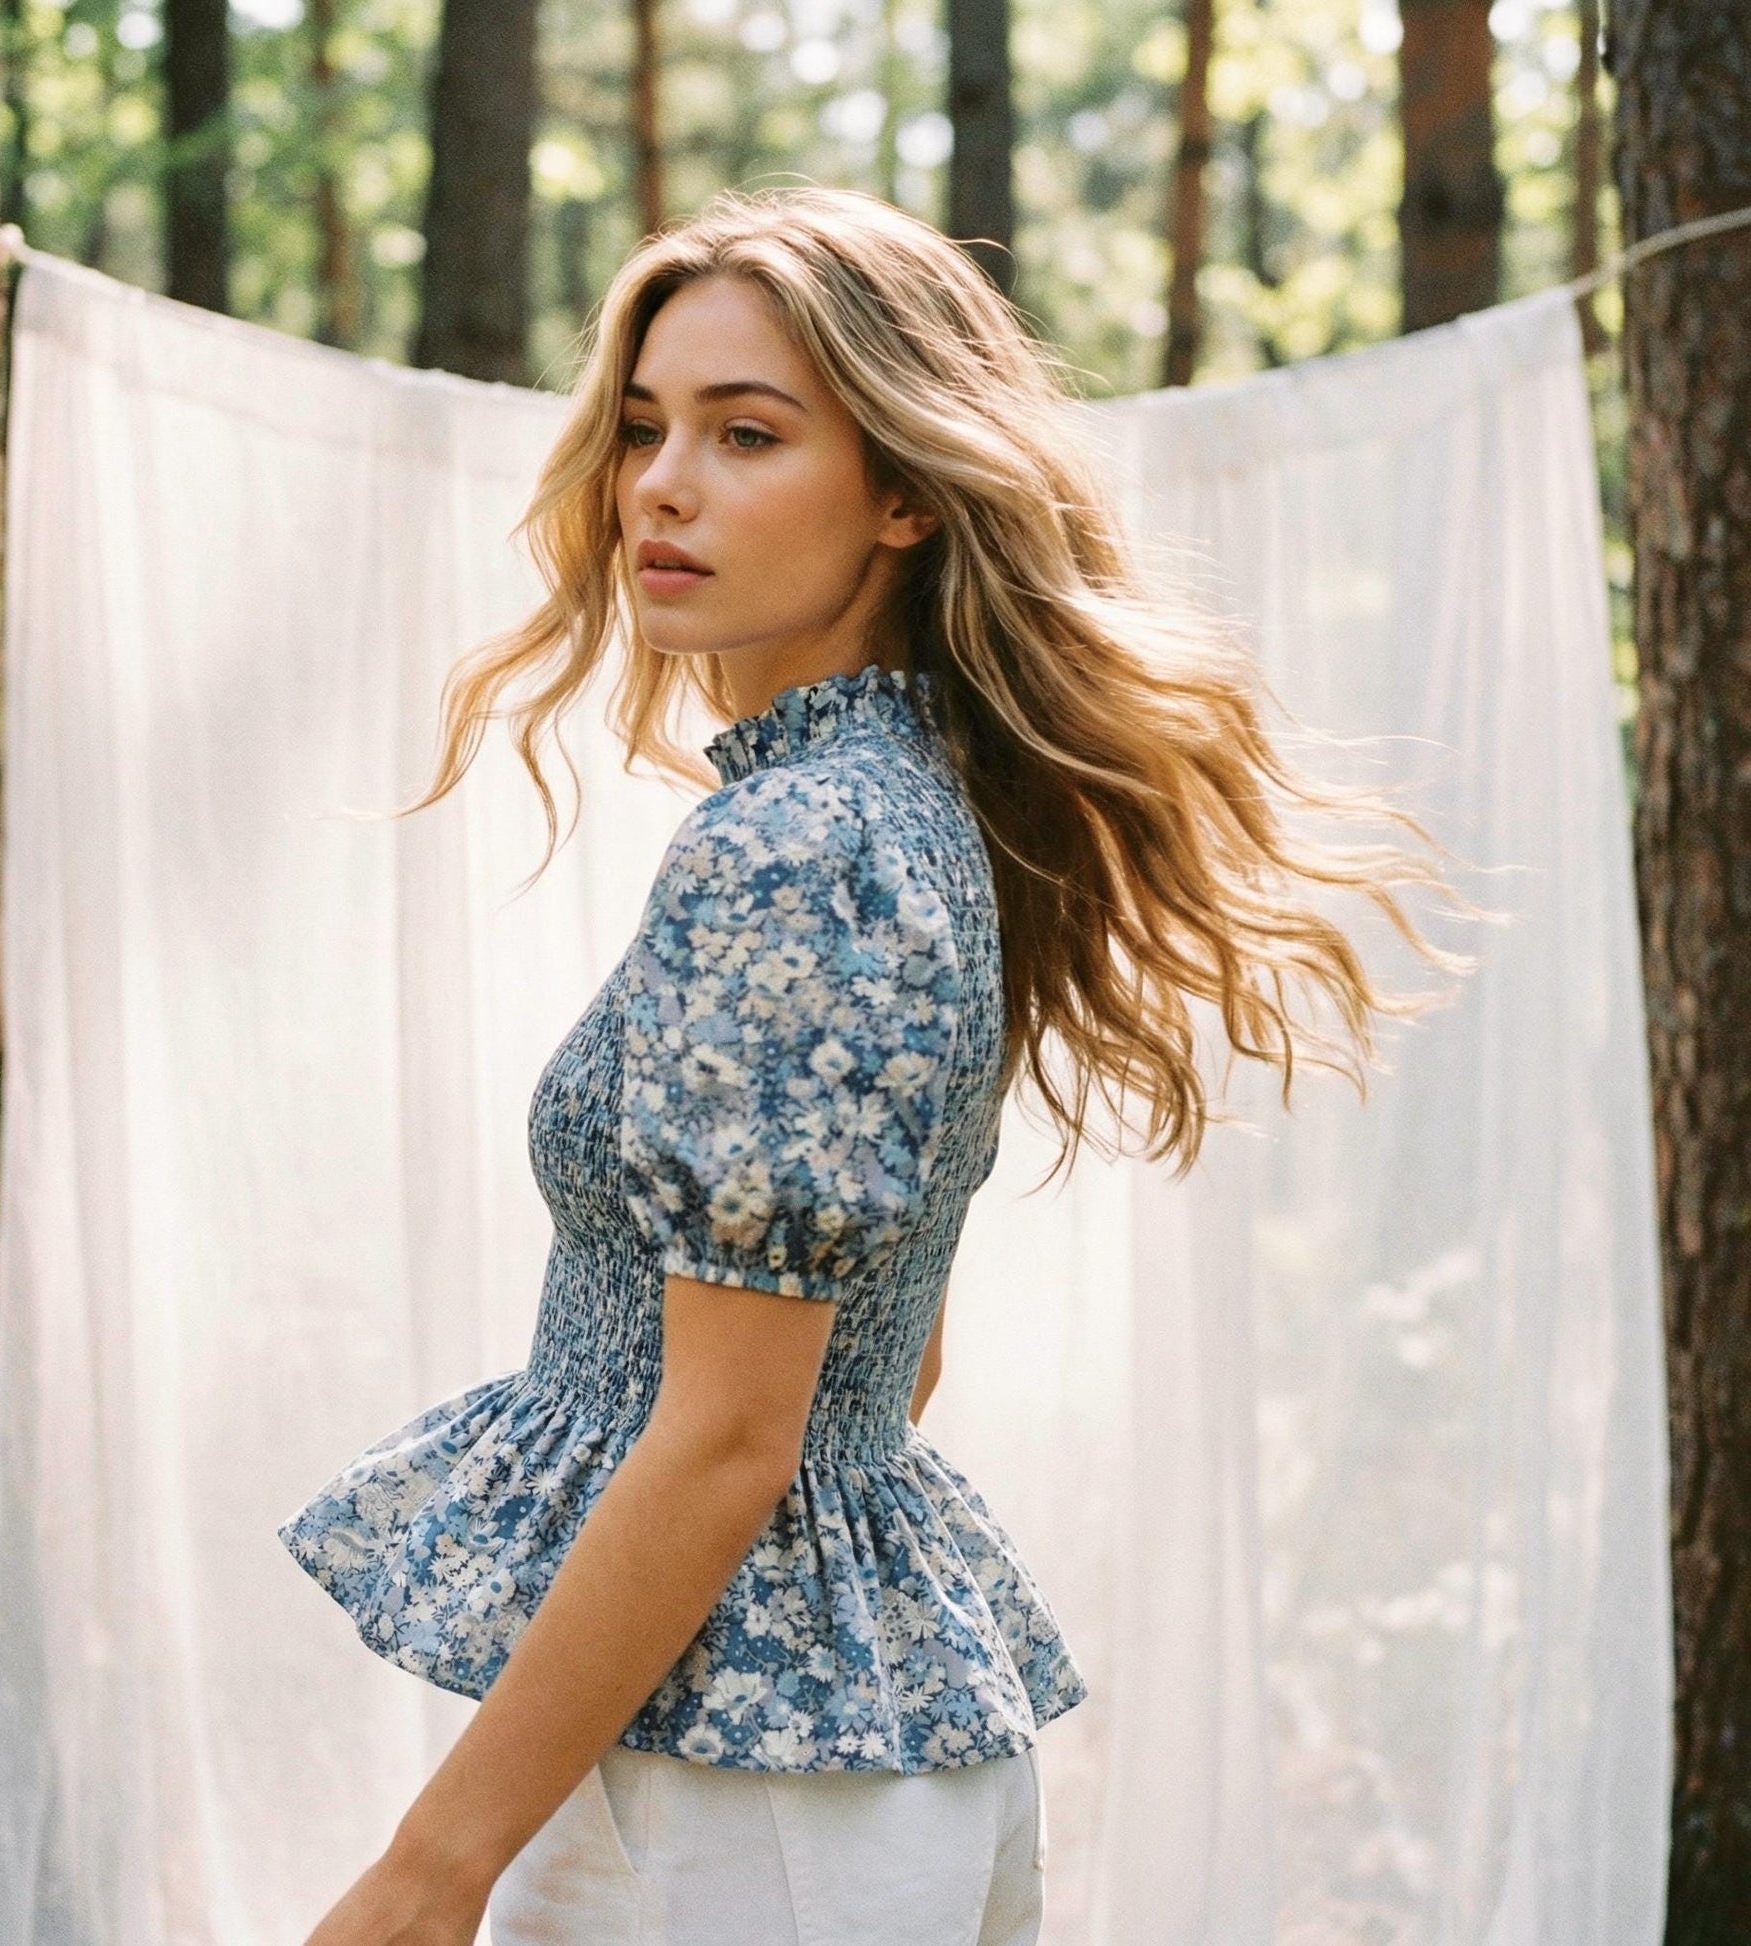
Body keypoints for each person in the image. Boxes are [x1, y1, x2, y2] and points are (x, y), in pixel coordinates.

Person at [278, 183, 1475, 1946]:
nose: (659, 484)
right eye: (642, 428)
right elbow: (884, 1360)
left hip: (740, 1804)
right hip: (821, 1760)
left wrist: (428, 1868)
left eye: (746, 433)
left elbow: (730, 1432)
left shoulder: (798, 845)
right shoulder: (912, 814)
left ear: (906, 489)